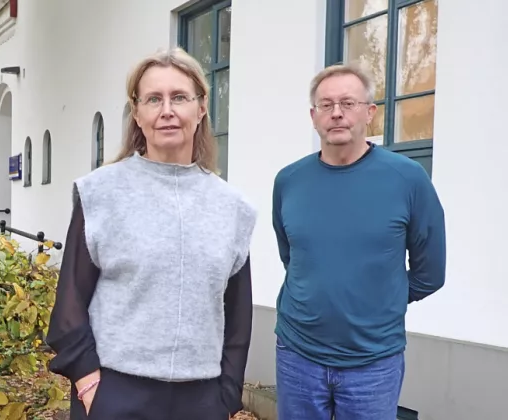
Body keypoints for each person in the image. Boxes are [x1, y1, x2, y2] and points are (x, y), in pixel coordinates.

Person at [45, 47, 257, 420]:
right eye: (154, 99)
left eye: (179, 97)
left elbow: (238, 317)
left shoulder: (232, 208)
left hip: (202, 400)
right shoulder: (100, 194)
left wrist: (227, 394)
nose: (167, 111)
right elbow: (70, 301)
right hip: (115, 394)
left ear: (201, 107)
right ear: (137, 112)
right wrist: (89, 382)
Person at [272, 63, 446, 420]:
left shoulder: (407, 178)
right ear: (313, 116)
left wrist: (380, 298)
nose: (336, 113)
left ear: (370, 113)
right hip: (297, 354)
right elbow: (292, 257)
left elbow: (431, 273)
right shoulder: (288, 181)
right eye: (326, 104)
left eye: (348, 103)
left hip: (373, 361)